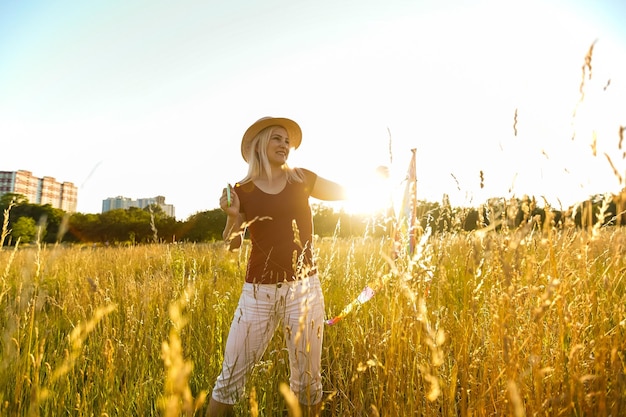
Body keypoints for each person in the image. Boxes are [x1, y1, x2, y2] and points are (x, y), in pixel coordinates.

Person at [206, 117, 346, 417]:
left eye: (287, 141)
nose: (285, 145)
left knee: (308, 384)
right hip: (257, 295)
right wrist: (232, 216)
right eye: (277, 139)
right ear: (260, 144)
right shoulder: (242, 190)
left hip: (304, 291)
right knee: (228, 381)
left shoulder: (302, 178)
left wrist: (378, 179)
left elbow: (345, 192)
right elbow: (232, 245)